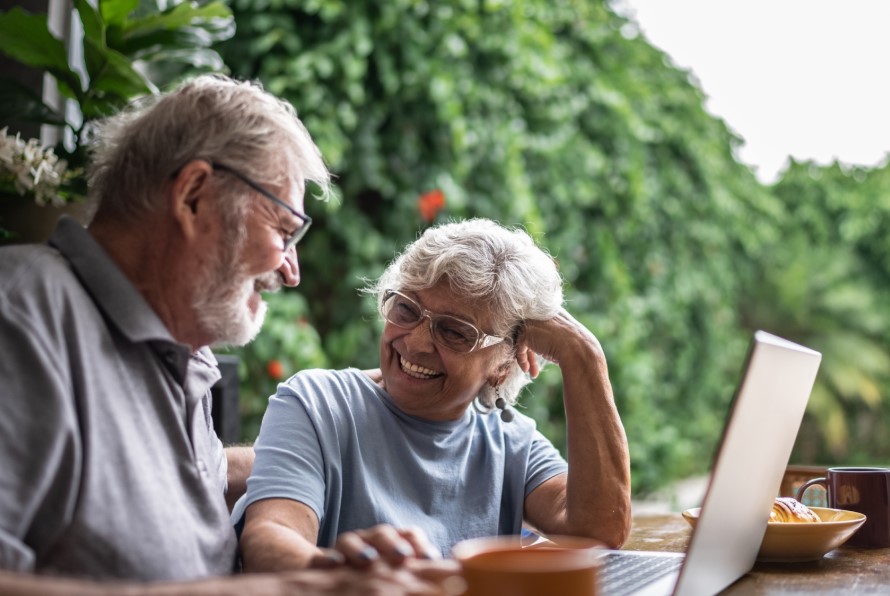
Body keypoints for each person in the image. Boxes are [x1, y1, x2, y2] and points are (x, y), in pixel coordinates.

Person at [0, 74, 456, 595]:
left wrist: (357, 447)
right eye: (284, 232)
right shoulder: (21, 318)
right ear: (193, 195)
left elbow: (188, 478)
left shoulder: (172, 350)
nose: (291, 272)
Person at [234, 218, 632, 572]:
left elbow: (598, 529)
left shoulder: (512, 442)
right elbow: (269, 542)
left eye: (455, 331)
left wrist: (584, 356)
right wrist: (347, 577)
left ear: (503, 365)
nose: (418, 343)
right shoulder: (318, 404)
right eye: (406, 310)